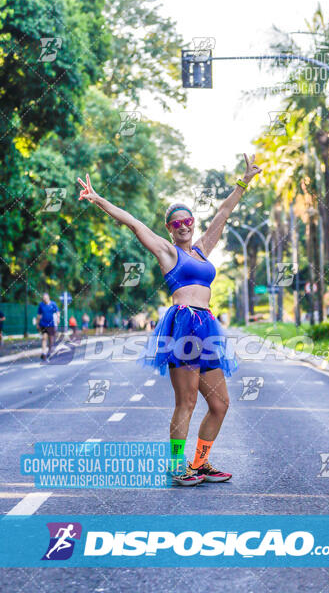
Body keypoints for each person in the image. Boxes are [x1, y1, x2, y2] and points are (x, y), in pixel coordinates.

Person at [77, 155, 262, 486]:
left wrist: (244, 181)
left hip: (207, 326)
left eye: (187, 220)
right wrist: (98, 199)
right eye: (177, 224)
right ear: (169, 229)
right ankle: (177, 466)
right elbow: (133, 222)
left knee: (220, 403)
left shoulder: (204, 249)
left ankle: (200, 463)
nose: (184, 226)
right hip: (183, 325)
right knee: (187, 401)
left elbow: (223, 212)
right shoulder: (166, 251)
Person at [37, 292, 60, 360]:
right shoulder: (41, 305)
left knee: (51, 339)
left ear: (48, 298)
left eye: (46, 298)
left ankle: (50, 351)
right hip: (43, 324)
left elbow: (57, 312)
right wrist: (37, 324)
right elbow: (39, 315)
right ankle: (44, 353)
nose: (45, 299)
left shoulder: (53, 304)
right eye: (43, 298)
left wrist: (58, 318)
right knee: (44, 338)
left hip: (51, 324)